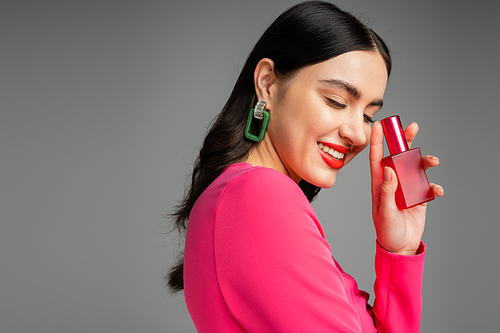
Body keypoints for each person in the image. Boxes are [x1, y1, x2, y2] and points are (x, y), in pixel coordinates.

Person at [167, 1, 444, 332]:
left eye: (368, 114)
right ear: (268, 82)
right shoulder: (257, 195)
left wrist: (401, 250)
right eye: (336, 101)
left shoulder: (239, 195)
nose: (358, 133)